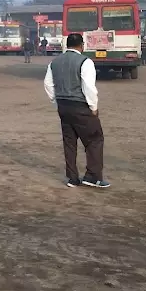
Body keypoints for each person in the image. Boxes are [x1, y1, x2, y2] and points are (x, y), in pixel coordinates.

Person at [44, 33, 109, 188]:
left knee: (69, 142)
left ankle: (72, 178)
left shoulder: (54, 62)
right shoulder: (85, 62)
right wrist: (93, 107)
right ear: (82, 45)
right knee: (94, 139)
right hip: (80, 106)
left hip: (63, 106)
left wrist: (56, 102)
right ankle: (92, 176)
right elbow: (88, 87)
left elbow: (48, 84)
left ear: (67, 45)